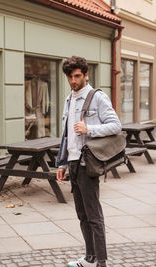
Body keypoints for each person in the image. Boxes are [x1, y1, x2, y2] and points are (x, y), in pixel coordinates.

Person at [56, 56, 121, 267]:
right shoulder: (68, 99)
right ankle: (90, 258)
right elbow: (67, 135)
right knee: (82, 214)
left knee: (94, 215)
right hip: (73, 163)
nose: (73, 81)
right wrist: (62, 163)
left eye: (77, 76)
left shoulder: (97, 97)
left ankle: (101, 261)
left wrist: (89, 129)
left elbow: (116, 126)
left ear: (86, 75)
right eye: (70, 77)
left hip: (88, 163)